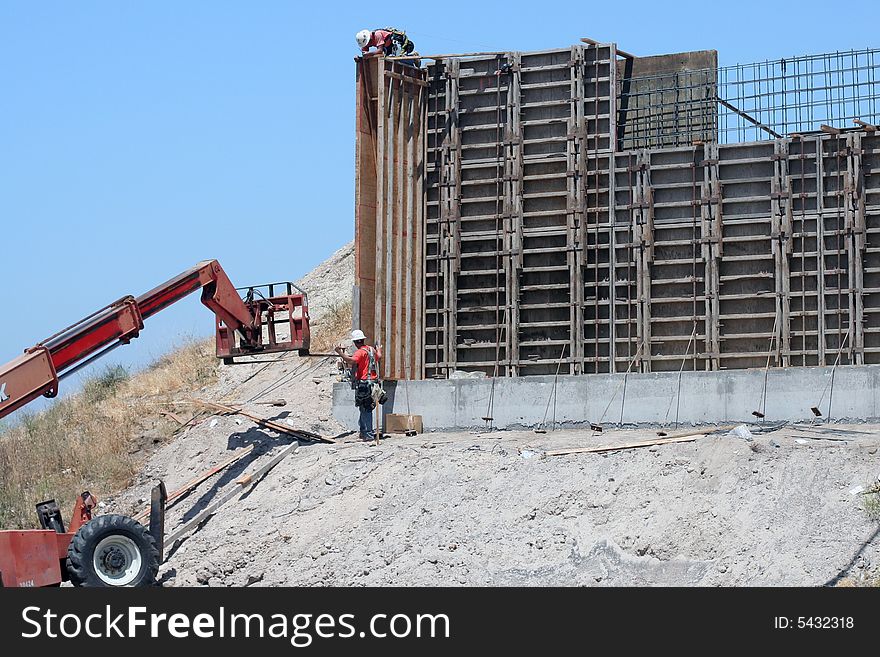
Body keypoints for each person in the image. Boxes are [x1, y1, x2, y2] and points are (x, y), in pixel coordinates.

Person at [335, 329, 383, 442]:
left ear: (356, 342)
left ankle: (369, 434)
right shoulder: (371, 350)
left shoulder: (360, 352)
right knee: (364, 408)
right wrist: (379, 349)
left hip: (364, 384)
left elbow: (351, 361)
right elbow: (379, 356)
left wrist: (340, 353)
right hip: (373, 383)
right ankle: (363, 432)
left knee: (366, 409)